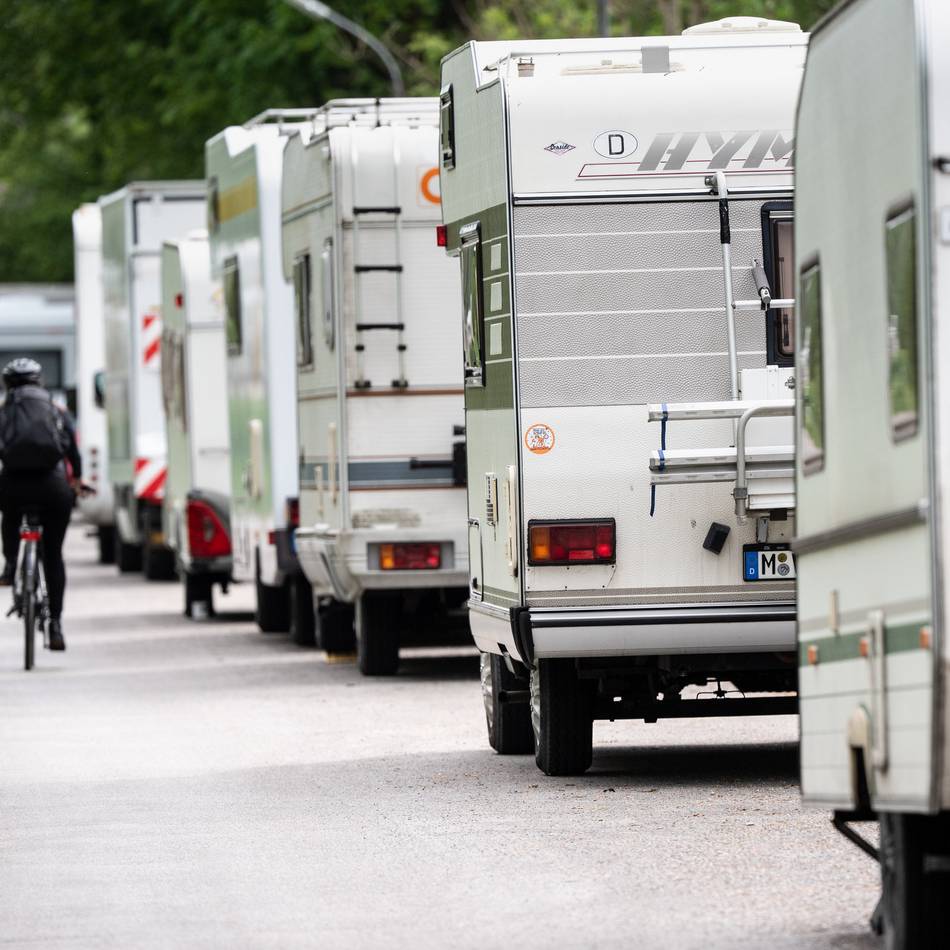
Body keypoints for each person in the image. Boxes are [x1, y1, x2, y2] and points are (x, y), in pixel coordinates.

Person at [0, 357, 83, 651]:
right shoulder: (56, 409)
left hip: (14, 484)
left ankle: (10, 565)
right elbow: (73, 451)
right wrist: (78, 481)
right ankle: (56, 625)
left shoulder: (4, 410)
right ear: (40, 381)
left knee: (9, 515)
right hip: (53, 487)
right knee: (54, 555)